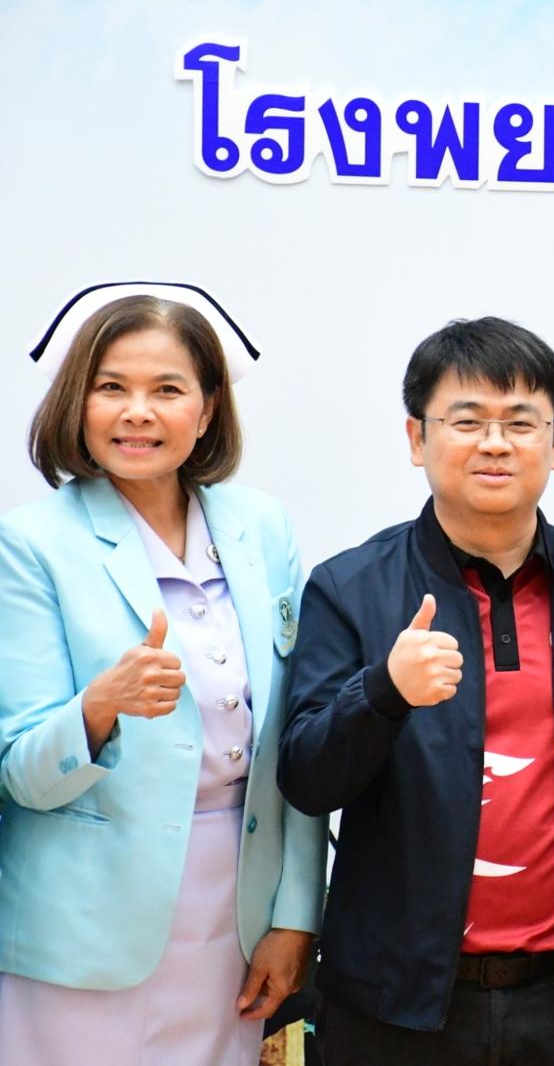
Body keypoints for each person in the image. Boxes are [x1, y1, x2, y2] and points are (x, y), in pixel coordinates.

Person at [278, 316, 554, 1066]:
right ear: (417, 439)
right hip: (395, 1007)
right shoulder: (350, 587)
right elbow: (305, 779)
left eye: (520, 422)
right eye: (467, 421)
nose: (495, 443)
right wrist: (383, 692)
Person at [0, 284, 326, 1065]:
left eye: (167, 390)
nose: (137, 412)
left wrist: (295, 916)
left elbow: (299, 739)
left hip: (238, 916)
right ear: (77, 403)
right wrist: (99, 707)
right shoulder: (30, 544)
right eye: (111, 387)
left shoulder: (261, 526)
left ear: (208, 410)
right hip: (83, 926)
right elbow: (21, 773)